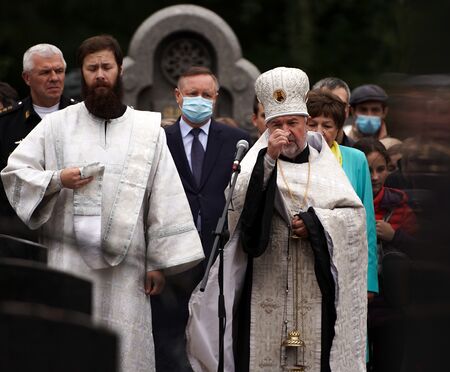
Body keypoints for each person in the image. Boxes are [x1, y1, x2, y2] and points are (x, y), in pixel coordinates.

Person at [1, 34, 204, 372]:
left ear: (119, 70)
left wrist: (156, 262)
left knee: (127, 349)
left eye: (106, 67)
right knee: (70, 347)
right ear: (82, 73)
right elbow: (15, 172)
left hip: (130, 268)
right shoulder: (56, 125)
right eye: (91, 68)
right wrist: (56, 180)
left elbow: (162, 193)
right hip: (70, 263)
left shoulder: (146, 128)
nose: (99, 75)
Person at [187, 67, 369, 372]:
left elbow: (353, 221)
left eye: (292, 123)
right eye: (277, 124)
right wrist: (268, 160)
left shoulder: (326, 168)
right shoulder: (254, 166)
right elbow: (244, 227)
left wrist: (314, 225)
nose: (285, 131)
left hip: (314, 286)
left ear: (306, 124)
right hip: (262, 284)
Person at [154, 66, 250, 372]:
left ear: (216, 97)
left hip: (218, 254)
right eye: (192, 94)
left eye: (206, 95)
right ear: (178, 96)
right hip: (172, 255)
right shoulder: (159, 140)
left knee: (214, 336)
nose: (199, 100)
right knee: (168, 334)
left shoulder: (237, 140)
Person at [306, 89, 378, 299]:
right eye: (312, 124)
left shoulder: (356, 159)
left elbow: (368, 223)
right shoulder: (291, 160)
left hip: (348, 261)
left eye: (327, 126)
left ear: (338, 129)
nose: (319, 131)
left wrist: (370, 280)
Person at [353, 137, 417, 372]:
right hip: (354, 310)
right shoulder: (345, 203)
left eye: (381, 169)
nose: (375, 177)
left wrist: (395, 236)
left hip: (390, 312)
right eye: (368, 170)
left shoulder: (400, 205)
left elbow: (422, 251)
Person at [0, 44, 76, 239]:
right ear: (27, 78)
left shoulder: (80, 117)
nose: (54, 78)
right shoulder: (6, 123)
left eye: (59, 71)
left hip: (70, 232)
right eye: (45, 72)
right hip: (17, 234)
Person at [312, 76, 354, 146]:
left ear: (347, 110)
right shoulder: (296, 152)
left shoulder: (356, 152)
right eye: (325, 104)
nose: (333, 110)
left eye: (340, 105)